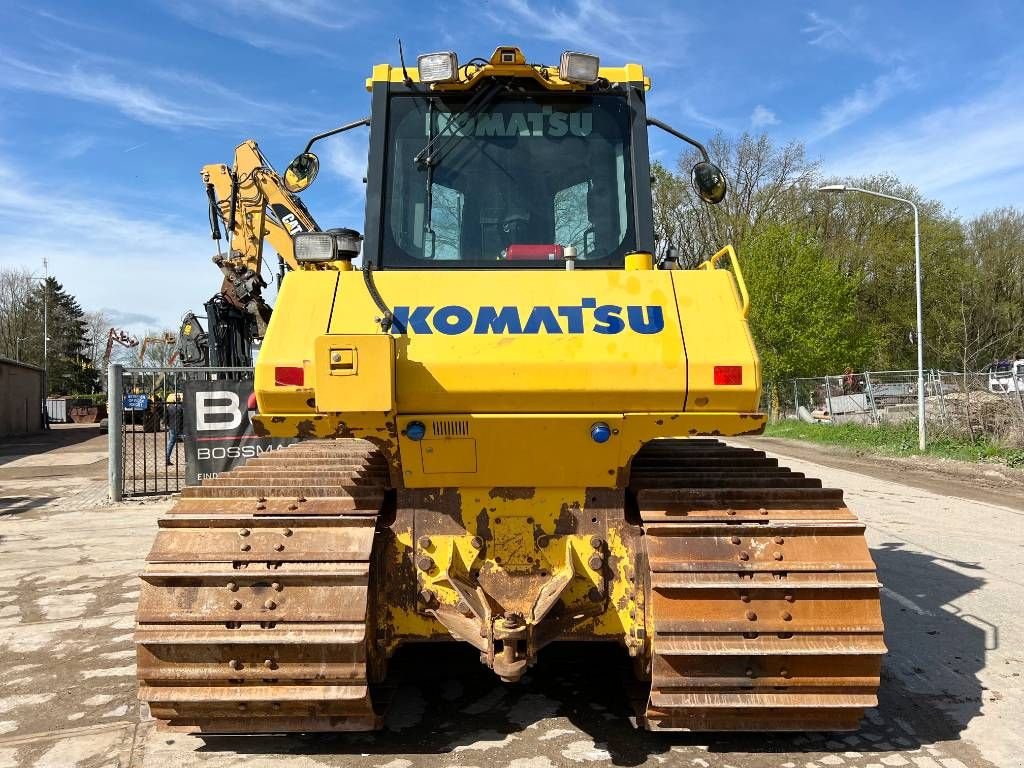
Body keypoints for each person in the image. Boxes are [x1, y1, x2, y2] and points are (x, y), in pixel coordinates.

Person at [165, 393, 184, 465]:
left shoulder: (169, 407)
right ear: (180, 399)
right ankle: (190, 459)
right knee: (188, 444)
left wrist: (169, 426)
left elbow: (165, 418)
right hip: (182, 428)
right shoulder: (182, 406)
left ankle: (167, 459)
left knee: (170, 443)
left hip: (172, 427)